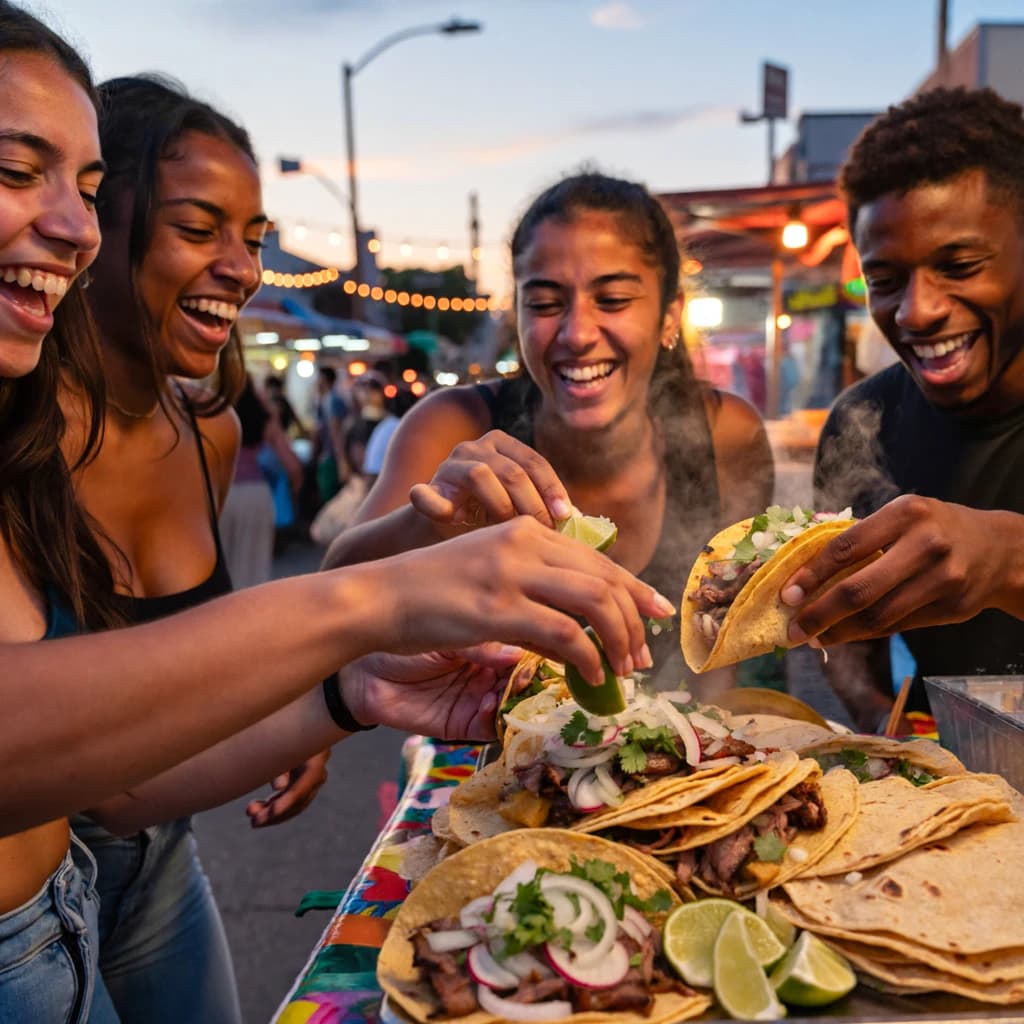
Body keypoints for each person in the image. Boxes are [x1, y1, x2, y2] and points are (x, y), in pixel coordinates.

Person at [0, 16, 674, 1021]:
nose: (73, 225)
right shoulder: (31, 433)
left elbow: (118, 783)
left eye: (88, 192)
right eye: (19, 170)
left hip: (93, 899)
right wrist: (371, 603)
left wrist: (343, 691)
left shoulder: (197, 429)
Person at [323, 171, 774, 696]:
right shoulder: (455, 424)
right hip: (484, 759)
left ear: (670, 314)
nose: (577, 334)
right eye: (543, 304)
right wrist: (439, 521)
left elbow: (727, 639)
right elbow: (326, 601)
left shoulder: (726, 435)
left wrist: (703, 761)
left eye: (613, 300)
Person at [778, 87, 1024, 730]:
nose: (916, 310)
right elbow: (850, 632)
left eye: (960, 264)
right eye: (884, 280)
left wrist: (1006, 558)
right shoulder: (864, 422)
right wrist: (876, 716)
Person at [221, 374, 301, 587]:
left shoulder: (212, 415)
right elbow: (292, 464)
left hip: (220, 496)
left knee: (220, 568)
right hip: (256, 495)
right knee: (253, 568)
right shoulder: (265, 417)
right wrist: (294, 489)